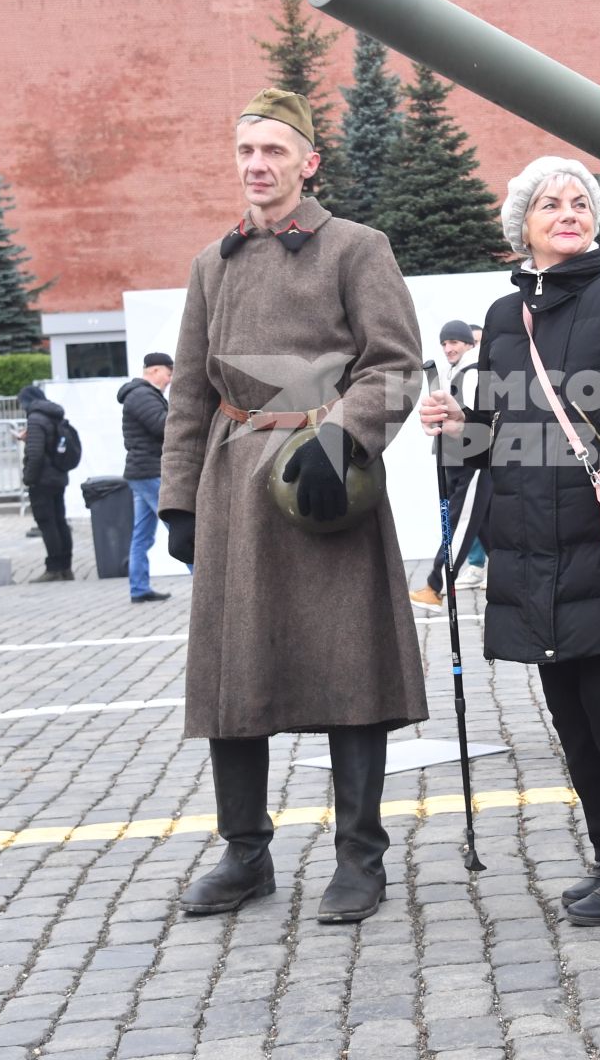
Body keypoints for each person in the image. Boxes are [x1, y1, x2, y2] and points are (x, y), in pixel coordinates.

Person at [160, 88, 426, 925]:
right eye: (246, 152)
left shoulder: (356, 248)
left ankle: (360, 859)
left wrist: (343, 438)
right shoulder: (215, 263)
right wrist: (178, 500)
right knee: (233, 678)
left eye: (274, 151)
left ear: (307, 161)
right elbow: (190, 397)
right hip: (235, 491)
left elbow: (395, 364)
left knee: (350, 669)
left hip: (325, 490)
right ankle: (245, 854)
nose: (257, 166)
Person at [420, 155, 600, 927]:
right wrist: (456, 433)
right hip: (530, 548)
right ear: (523, 228)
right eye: (550, 204)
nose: (569, 212)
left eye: (580, 202)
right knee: (570, 714)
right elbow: (500, 437)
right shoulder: (507, 319)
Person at [408, 319, 486, 608]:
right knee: (486, 526)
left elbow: (476, 416)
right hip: (457, 458)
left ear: (468, 344)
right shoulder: (454, 371)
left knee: (462, 521)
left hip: (473, 460)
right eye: (444, 343)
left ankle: (435, 584)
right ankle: (517, 585)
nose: (448, 348)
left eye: (454, 342)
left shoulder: (473, 371)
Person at [119, 352, 174, 604]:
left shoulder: (143, 395)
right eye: (168, 372)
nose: (170, 378)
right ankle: (205, 586)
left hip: (142, 472)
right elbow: (164, 426)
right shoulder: (142, 395)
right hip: (150, 471)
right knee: (179, 526)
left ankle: (139, 588)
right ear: (153, 371)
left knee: (142, 534)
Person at [18, 384, 75, 582]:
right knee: (60, 521)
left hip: (42, 479)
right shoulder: (54, 414)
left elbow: (35, 454)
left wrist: (29, 479)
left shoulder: (35, 418)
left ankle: (54, 568)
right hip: (58, 476)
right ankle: (66, 567)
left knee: (47, 522)